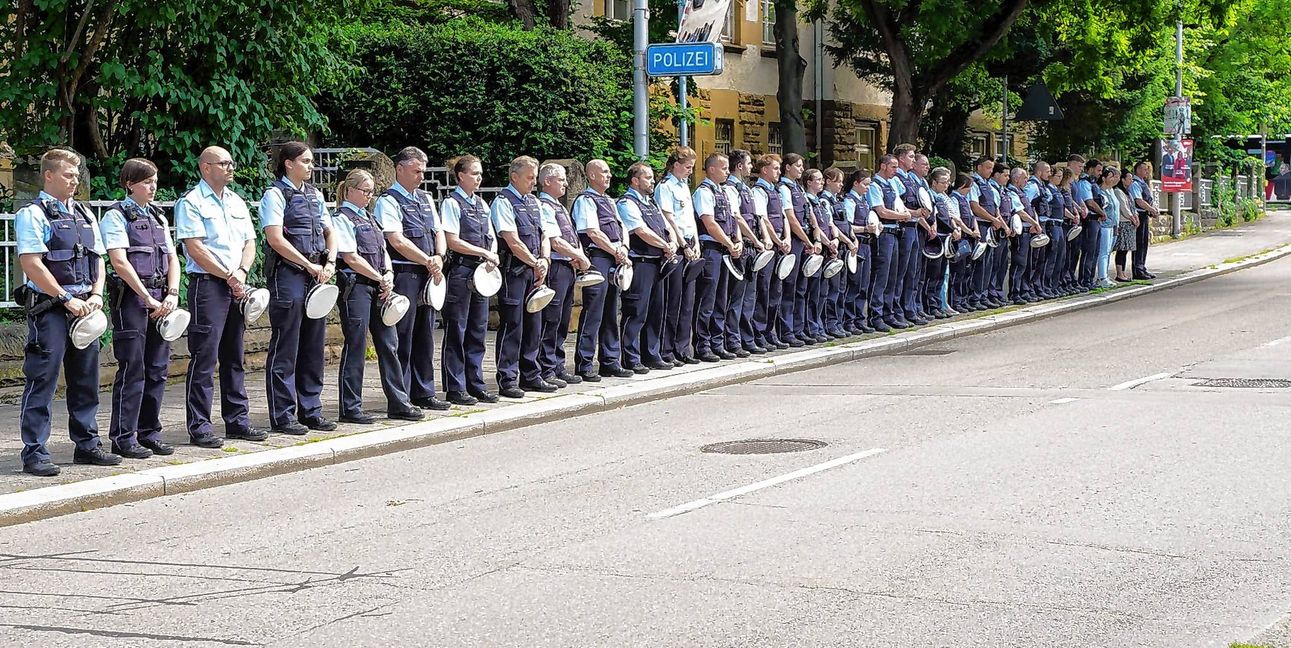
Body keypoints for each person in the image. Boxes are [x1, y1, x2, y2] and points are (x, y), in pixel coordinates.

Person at [15, 148, 116, 476]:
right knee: (42, 379)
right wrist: (64, 299)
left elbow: (98, 258)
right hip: (51, 311)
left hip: (85, 310)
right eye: (68, 175)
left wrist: (97, 293)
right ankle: (34, 452)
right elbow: (31, 263)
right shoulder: (33, 214)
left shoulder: (85, 214)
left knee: (86, 379)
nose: (75, 180)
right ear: (48, 175)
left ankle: (87, 445)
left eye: (76, 175)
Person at [176, 146, 265, 448]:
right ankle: (200, 426)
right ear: (205, 168)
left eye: (231, 161)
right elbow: (195, 247)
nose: (230, 167)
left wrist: (241, 271)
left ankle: (237, 421)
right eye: (223, 163)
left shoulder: (236, 200)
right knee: (205, 356)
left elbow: (250, 241)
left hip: (236, 282)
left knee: (234, 355)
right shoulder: (191, 202)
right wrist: (228, 275)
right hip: (208, 285)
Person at [100, 158, 180, 459]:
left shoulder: (158, 216)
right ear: (130, 184)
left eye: (155, 180)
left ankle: (149, 433)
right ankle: (123, 437)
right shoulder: (116, 216)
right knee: (133, 368)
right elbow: (119, 262)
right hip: (133, 300)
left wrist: (171, 293)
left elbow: (172, 258)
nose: (153, 186)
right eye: (147, 181)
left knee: (158, 369)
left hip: (162, 297)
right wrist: (147, 297)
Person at [331, 169, 424, 424]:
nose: (369, 196)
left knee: (389, 343)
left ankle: (399, 402)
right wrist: (378, 277)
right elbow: (350, 256)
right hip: (356, 286)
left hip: (378, 285)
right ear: (350, 190)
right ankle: (350, 407)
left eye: (371, 191)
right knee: (356, 345)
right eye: (365, 191)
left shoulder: (370, 218)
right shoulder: (341, 218)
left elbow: (383, 250)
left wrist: (389, 274)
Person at [259, 142, 337, 435]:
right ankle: (283, 415)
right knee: (286, 346)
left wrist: (329, 261)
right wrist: (308, 264)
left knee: (313, 346)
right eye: (305, 161)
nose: (311, 166)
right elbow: (275, 238)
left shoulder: (315, 195)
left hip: (317, 275)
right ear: (288, 164)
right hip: (289, 275)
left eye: (311, 161)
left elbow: (330, 231)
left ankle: (311, 410)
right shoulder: (275, 195)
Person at [375, 147, 449, 411]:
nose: (421, 176)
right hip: (405, 273)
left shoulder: (426, 199)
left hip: (428, 273)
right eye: (416, 171)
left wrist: (439, 255)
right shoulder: (388, 201)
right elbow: (396, 239)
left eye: (423, 171)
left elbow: (438, 231)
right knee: (402, 336)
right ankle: (401, 397)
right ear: (400, 169)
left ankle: (424, 391)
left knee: (425, 335)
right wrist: (426, 259)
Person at [440, 155, 502, 405]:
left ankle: (475, 384)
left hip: (482, 272)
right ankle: (455, 387)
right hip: (462, 271)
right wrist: (483, 252)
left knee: (478, 329)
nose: (479, 178)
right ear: (461, 175)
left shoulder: (481, 204)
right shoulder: (451, 204)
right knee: (457, 329)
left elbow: (490, 235)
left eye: (480, 173)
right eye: (475, 173)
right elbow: (452, 240)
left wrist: (492, 252)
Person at [492, 156, 554, 397]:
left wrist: (545, 261)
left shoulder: (534, 203)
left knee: (534, 324)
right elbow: (511, 239)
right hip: (515, 272)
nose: (533, 183)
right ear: (514, 177)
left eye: (535, 178)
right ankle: (507, 378)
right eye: (529, 178)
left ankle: (531, 374)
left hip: (535, 271)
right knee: (513, 325)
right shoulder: (503, 202)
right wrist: (534, 262)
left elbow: (544, 235)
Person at [572, 159, 632, 381]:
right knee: (593, 312)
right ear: (592, 175)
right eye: (604, 172)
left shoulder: (608, 200)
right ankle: (584, 364)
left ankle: (610, 361)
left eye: (609, 172)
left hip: (614, 257)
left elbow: (620, 227)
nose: (609, 176)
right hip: (598, 258)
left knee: (610, 312)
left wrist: (624, 247)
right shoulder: (585, 200)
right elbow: (592, 232)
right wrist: (616, 251)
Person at [619, 162, 678, 372]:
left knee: (656, 311)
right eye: (648, 177)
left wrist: (672, 241)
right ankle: (631, 357)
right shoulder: (627, 203)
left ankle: (651, 354)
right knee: (636, 311)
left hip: (657, 263)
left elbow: (666, 226)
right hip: (640, 262)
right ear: (635, 180)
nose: (652, 181)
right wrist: (664, 245)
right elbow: (640, 231)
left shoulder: (651, 203)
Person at [537, 162, 590, 387]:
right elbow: (555, 240)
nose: (566, 184)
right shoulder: (544, 205)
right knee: (551, 318)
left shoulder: (558, 206)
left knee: (563, 319)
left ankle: (557, 365)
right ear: (547, 181)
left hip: (567, 266)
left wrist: (576, 256)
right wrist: (579, 255)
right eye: (561, 180)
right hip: (557, 267)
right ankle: (546, 368)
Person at [693, 152, 742, 361]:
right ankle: (702, 345)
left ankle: (717, 342)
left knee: (721, 299)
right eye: (724, 168)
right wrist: (729, 243)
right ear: (711, 169)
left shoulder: (725, 192)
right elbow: (709, 223)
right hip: (712, 248)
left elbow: (734, 218)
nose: (728, 172)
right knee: (707, 299)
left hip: (725, 249)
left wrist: (737, 240)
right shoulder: (704, 192)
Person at [655, 147, 701, 365]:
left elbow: (690, 218)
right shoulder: (665, 187)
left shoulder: (683, 186)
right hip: (678, 245)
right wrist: (683, 243)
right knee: (674, 300)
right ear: (676, 165)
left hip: (691, 243)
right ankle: (667, 349)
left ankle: (683, 348)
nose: (690, 172)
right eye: (687, 167)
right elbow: (668, 217)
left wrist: (696, 242)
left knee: (687, 301)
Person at [723, 149, 764, 355]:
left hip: (752, 246)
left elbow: (756, 217)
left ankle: (747, 338)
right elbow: (737, 218)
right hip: (743, 245)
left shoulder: (746, 189)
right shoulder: (730, 189)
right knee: (736, 297)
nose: (750, 167)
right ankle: (733, 339)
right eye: (748, 164)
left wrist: (761, 238)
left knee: (749, 296)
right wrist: (754, 240)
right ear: (739, 166)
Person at [777, 153, 818, 345]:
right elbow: (790, 218)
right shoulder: (784, 188)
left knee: (801, 288)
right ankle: (786, 330)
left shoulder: (798, 188)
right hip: (794, 240)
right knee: (789, 288)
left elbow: (810, 215)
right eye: (798, 166)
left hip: (804, 241)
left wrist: (814, 238)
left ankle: (798, 328)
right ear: (788, 167)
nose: (801, 169)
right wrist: (806, 240)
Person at [868, 154, 911, 330]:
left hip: (895, 232)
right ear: (883, 166)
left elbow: (900, 200)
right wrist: (903, 216)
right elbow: (881, 211)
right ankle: (875, 315)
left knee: (893, 275)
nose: (896, 170)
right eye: (893, 167)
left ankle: (889, 312)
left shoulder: (892, 183)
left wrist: (908, 212)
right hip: (883, 232)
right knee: (881, 276)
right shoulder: (874, 185)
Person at [751, 154, 790, 348]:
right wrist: (777, 240)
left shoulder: (776, 191)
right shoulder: (759, 191)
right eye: (775, 168)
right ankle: (759, 332)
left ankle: (769, 331)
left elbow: (783, 217)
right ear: (765, 170)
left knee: (776, 290)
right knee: (764, 290)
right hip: (769, 246)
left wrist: (787, 238)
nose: (779, 172)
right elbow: (763, 219)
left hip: (780, 244)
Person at [892, 145, 930, 325]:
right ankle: (900, 310)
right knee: (903, 272)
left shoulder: (911, 179)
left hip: (915, 227)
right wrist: (915, 214)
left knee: (914, 271)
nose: (913, 160)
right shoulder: (897, 178)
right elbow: (898, 205)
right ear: (901, 159)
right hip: (905, 226)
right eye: (911, 157)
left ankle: (911, 307)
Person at [967, 156, 1005, 309]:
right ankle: (975, 297)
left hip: (990, 226)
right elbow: (975, 206)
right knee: (980, 263)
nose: (991, 171)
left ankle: (983, 295)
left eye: (992, 167)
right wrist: (992, 219)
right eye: (988, 167)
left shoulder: (988, 184)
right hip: (980, 225)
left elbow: (995, 206)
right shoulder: (974, 183)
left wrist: (997, 220)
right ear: (979, 167)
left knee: (988, 263)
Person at [841, 169, 876, 333]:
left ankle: (860, 319)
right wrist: (864, 228)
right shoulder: (850, 201)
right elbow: (848, 226)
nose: (867, 188)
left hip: (867, 243)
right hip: (857, 244)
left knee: (864, 284)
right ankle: (849, 320)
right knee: (854, 284)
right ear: (856, 183)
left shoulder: (864, 201)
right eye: (865, 184)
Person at [802, 168, 834, 341]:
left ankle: (818, 324)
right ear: (809, 182)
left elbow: (828, 224)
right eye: (818, 180)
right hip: (815, 248)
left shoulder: (821, 202)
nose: (822, 183)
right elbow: (815, 226)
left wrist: (834, 240)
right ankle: (811, 326)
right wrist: (824, 242)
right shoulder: (807, 199)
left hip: (825, 247)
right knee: (812, 291)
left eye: (822, 180)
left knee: (822, 291)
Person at [820, 167, 853, 337]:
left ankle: (838, 322)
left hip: (843, 247)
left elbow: (845, 223)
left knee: (841, 288)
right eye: (838, 181)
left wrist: (852, 238)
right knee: (832, 289)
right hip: (833, 247)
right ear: (828, 181)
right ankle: (830, 323)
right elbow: (831, 225)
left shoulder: (838, 200)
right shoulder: (824, 201)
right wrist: (846, 240)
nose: (841, 185)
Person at [1007, 167, 1043, 304]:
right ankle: (1014, 293)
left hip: (1029, 230)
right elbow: (1020, 212)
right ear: (1016, 179)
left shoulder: (1021, 191)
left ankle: (1024, 290)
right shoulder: (1012, 191)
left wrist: (1035, 223)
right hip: (1021, 232)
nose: (1027, 181)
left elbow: (1031, 209)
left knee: (1027, 263)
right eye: (1024, 178)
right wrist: (1035, 223)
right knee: (1019, 263)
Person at [948, 173, 979, 312]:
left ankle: (964, 298)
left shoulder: (964, 199)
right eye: (968, 188)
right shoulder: (954, 198)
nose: (970, 191)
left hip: (969, 237)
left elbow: (972, 217)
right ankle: (956, 300)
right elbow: (958, 219)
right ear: (962, 186)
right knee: (958, 271)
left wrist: (976, 229)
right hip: (962, 238)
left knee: (967, 270)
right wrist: (970, 231)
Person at [1075, 159, 1106, 290]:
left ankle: (1090, 279)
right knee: (1089, 251)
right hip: (1090, 220)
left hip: (1096, 220)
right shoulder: (1084, 183)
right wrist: (1102, 212)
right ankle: (1084, 279)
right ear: (1091, 169)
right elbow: (1089, 202)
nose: (1100, 173)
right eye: (1098, 170)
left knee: (1095, 251)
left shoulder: (1093, 183)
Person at [1129, 161, 1159, 279]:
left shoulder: (1143, 183)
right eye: (1144, 169)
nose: (1147, 171)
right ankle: (1137, 269)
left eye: (1147, 169)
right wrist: (1151, 209)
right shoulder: (1135, 183)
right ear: (1138, 170)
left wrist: (1153, 209)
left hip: (1145, 215)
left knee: (1144, 242)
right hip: (1139, 215)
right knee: (1139, 243)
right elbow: (1138, 201)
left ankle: (1142, 266)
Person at [1095, 166, 1122, 287]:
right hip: (1105, 226)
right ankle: (1102, 277)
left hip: (1113, 225)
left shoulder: (1111, 191)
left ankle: (1105, 274)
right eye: (1111, 177)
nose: (1113, 179)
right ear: (1104, 178)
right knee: (1104, 251)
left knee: (1109, 251)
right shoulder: (1102, 192)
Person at [1113, 169, 1139, 282]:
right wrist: (1132, 217)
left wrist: (1136, 216)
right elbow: (1123, 207)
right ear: (1123, 180)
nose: (1131, 181)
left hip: (1130, 223)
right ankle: (1119, 273)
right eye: (1129, 178)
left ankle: (1123, 272)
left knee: (1126, 249)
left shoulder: (1128, 192)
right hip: (1124, 222)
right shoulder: (1118, 191)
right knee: (1121, 249)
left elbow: (1132, 206)